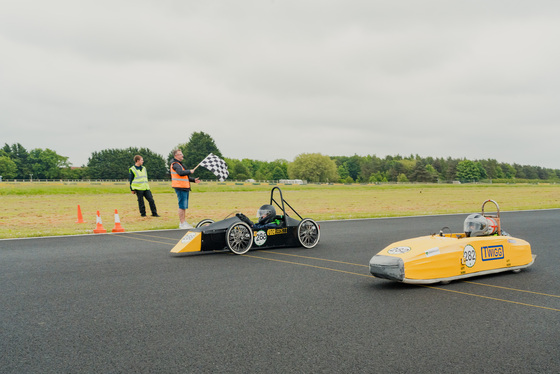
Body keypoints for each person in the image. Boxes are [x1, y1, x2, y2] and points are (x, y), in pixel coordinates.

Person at [170, 149, 200, 229]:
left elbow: (185, 176)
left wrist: (193, 180)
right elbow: (180, 173)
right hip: (180, 187)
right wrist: (189, 171)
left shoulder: (180, 164)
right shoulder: (175, 164)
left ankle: (183, 222)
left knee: (184, 206)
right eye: (180, 154)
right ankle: (182, 223)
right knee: (182, 205)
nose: (182, 155)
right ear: (176, 156)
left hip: (184, 187)